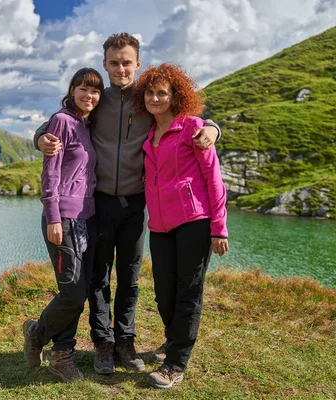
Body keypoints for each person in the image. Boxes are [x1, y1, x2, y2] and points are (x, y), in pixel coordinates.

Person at [34, 33, 222, 374]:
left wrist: (213, 128)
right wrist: (39, 138)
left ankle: (125, 340)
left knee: (131, 278)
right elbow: (57, 124)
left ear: (137, 63)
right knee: (99, 277)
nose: (120, 68)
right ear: (105, 64)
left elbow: (188, 117)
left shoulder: (149, 98)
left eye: (127, 62)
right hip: (99, 203)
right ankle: (103, 343)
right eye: (114, 63)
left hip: (136, 203)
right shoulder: (96, 98)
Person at [133, 63, 228, 389]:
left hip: (194, 222)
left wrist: (219, 226)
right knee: (164, 292)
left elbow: (213, 178)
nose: (155, 97)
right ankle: (174, 339)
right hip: (159, 226)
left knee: (188, 292)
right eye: (150, 92)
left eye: (163, 93)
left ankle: (175, 363)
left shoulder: (194, 128)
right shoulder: (149, 134)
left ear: (176, 96)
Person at [22, 67, 104, 382]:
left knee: (76, 290)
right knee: (72, 292)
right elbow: (51, 174)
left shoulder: (87, 123)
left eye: (95, 90)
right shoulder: (61, 122)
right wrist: (54, 217)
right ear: (71, 90)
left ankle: (60, 355)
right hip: (65, 219)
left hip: (89, 217)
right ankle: (37, 335)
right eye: (82, 88)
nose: (89, 95)